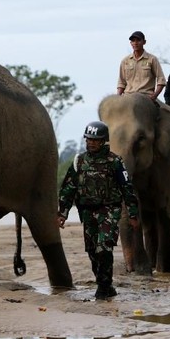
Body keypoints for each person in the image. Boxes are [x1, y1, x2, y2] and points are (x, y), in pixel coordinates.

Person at [57, 121, 140, 300]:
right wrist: (62, 213)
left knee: (104, 247)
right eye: (88, 139)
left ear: (104, 141)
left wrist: (133, 214)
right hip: (87, 212)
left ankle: (103, 287)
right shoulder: (79, 161)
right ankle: (105, 283)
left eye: (95, 140)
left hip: (109, 211)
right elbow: (68, 188)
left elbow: (127, 188)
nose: (91, 143)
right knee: (93, 251)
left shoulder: (115, 161)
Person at [116, 31, 166, 100]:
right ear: (130, 43)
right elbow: (121, 82)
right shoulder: (125, 61)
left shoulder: (152, 59)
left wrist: (155, 95)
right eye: (133, 41)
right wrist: (117, 98)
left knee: (166, 110)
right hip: (128, 96)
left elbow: (161, 80)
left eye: (138, 40)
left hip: (146, 96)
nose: (135, 43)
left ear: (144, 42)